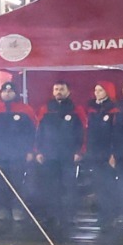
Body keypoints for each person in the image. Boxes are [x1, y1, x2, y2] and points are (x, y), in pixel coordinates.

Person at [33, 82, 86, 226]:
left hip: (69, 154)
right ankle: (51, 215)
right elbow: (39, 131)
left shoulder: (76, 109)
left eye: (62, 89)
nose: (58, 92)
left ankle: (69, 216)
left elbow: (82, 131)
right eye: (56, 89)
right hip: (49, 154)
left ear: (68, 91)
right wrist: (38, 151)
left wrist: (79, 151)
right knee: (50, 186)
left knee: (69, 186)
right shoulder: (45, 109)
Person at [0, 83, 36, 220]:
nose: (7, 93)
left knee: (17, 182)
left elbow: (32, 132)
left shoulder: (26, 110)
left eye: (10, 91)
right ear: (0, 93)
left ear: (16, 93)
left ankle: (17, 209)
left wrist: (31, 150)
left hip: (18, 153)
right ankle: (2, 210)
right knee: (1, 183)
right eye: (5, 91)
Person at [84, 82, 123, 223]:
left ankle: (111, 214)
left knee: (109, 185)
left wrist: (113, 153)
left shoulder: (115, 110)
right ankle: (103, 214)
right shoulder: (92, 109)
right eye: (95, 90)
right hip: (94, 153)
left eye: (100, 90)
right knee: (99, 185)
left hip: (108, 153)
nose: (97, 93)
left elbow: (117, 133)